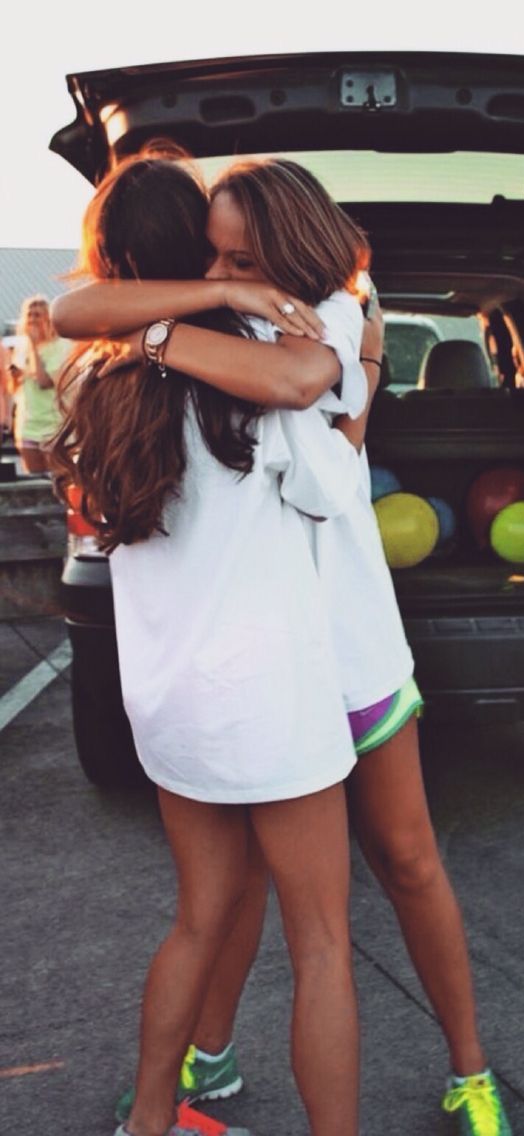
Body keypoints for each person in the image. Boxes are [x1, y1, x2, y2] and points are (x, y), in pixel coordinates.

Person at [53, 154, 513, 1136]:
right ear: (186, 257)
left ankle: (468, 1069)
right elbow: (324, 467)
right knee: (277, 916)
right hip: (274, 676)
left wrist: (348, 360)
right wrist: (206, 319)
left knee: (400, 860)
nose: (228, 272)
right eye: (212, 256)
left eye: (244, 258)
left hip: (334, 646)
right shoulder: (203, 356)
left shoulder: (320, 316)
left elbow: (299, 385)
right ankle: (207, 1062)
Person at [51, 152, 369, 1136]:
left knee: (197, 920)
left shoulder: (97, 384)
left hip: (170, 704)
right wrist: (357, 374)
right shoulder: (249, 377)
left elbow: (73, 311)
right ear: (196, 251)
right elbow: (332, 485)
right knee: (321, 943)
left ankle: (149, 1119)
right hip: (271, 701)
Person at [11, 295, 70, 473]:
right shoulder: (21, 348)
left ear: (48, 318)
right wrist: (15, 375)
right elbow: (15, 388)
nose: (32, 319)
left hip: (54, 426)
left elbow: (44, 382)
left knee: (59, 481)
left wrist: (33, 346)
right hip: (28, 426)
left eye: (37, 315)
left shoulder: (60, 346)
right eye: (29, 315)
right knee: (33, 482)